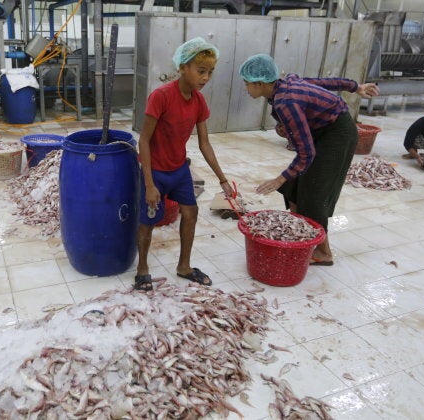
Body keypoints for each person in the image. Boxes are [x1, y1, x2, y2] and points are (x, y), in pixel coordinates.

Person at [238, 54, 379, 266]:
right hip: (323, 130)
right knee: (294, 187)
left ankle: (324, 252)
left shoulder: (286, 102)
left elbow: (307, 154)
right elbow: (325, 83)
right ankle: (302, 234)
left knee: (314, 193)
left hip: (337, 135)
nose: (246, 89)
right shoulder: (285, 83)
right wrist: (355, 86)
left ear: (260, 83)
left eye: (247, 84)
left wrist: (279, 178)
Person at [134, 37, 234, 291]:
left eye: (210, 72)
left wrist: (222, 179)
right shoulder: (161, 96)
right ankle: (142, 269)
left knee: (191, 212)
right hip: (155, 170)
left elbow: (204, 143)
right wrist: (148, 184)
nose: (206, 78)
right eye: (201, 71)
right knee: (148, 220)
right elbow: (143, 141)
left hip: (179, 170)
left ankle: (184, 266)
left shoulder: (199, 102)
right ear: (183, 68)